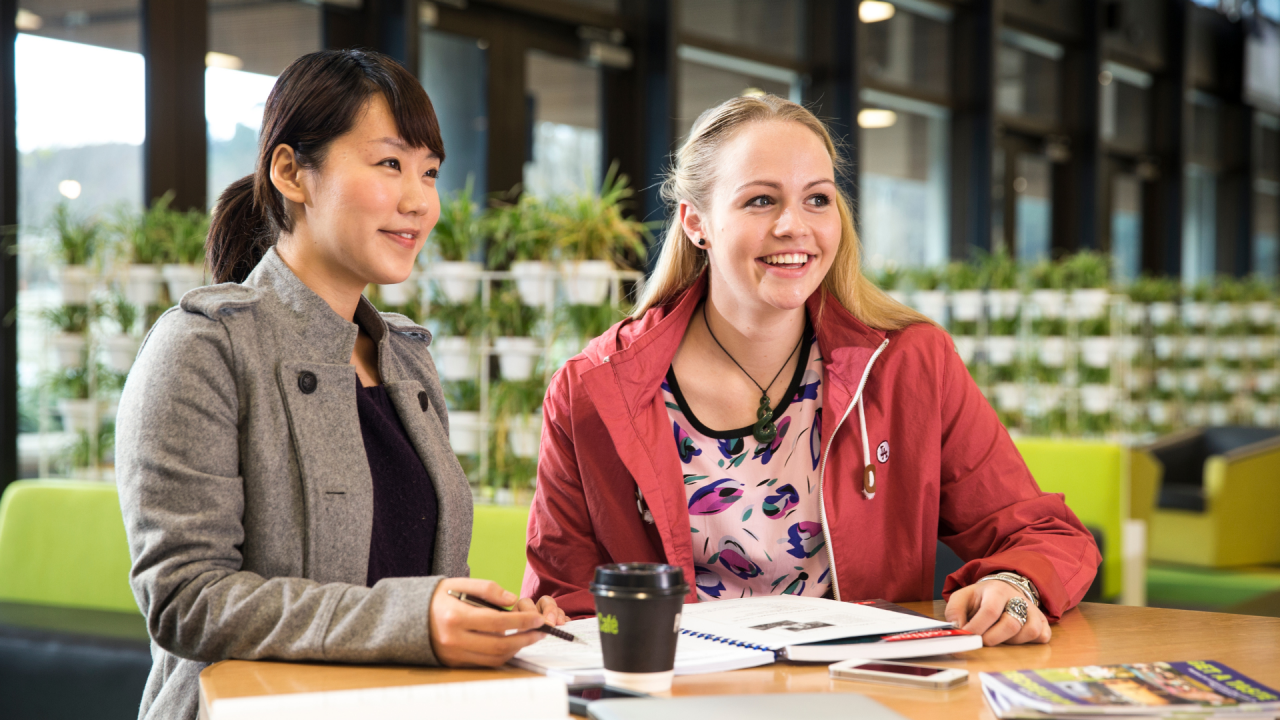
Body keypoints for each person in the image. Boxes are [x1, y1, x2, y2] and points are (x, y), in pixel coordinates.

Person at [522, 94, 1100, 647]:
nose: (794, 226)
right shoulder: (592, 389)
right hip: (679, 699)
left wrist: (1016, 587)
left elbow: (1042, 534)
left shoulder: (909, 365)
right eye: (760, 200)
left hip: (864, 692)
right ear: (696, 223)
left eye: (817, 199)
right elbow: (563, 599)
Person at [116, 50, 564, 720]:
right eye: (389, 164)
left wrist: (480, 617)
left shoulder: (406, 357)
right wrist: (415, 620)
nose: (419, 201)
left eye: (430, 172)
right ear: (292, 172)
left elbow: (405, 576)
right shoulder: (203, 348)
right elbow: (184, 598)